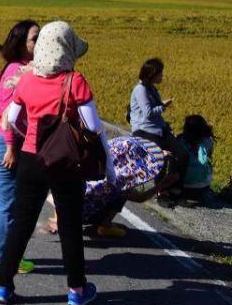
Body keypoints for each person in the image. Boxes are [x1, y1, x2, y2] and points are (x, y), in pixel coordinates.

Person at [0, 21, 113, 305]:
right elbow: (94, 127)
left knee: (21, 224)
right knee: (70, 226)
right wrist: (107, 163)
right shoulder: (75, 81)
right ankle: (77, 290)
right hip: (64, 162)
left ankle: (2, 287)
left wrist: (32, 132)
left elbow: (10, 117)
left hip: (30, 159)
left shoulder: (26, 79)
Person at [0, 20, 39, 276]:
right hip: (8, 144)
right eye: (34, 39)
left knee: (4, 202)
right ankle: (1, 258)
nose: (39, 44)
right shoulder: (16, 71)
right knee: (8, 204)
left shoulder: (26, 68)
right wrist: (10, 147)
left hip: (11, 144)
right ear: (21, 44)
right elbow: (4, 112)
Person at [129, 58, 190, 205]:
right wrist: (164, 106)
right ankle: (160, 192)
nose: (162, 76)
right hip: (144, 129)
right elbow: (148, 113)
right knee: (162, 156)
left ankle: (175, 189)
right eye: (160, 74)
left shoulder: (152, 88)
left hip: (158, 128)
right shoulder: (140, 89)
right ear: (152, 74)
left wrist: (165, 121)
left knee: (182, 154)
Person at [83, 136, 167, 237]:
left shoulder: (100, 158)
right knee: (123, 192)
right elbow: (141, 198)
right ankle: (105, 225)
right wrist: (164, 183)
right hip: (83, 213)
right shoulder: (118, 179)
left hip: (66, 207)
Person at [178, 115, 215, 204]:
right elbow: (208, 156)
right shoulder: (209, 140)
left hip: (183, 188)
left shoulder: (180, 141)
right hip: (202, 188)